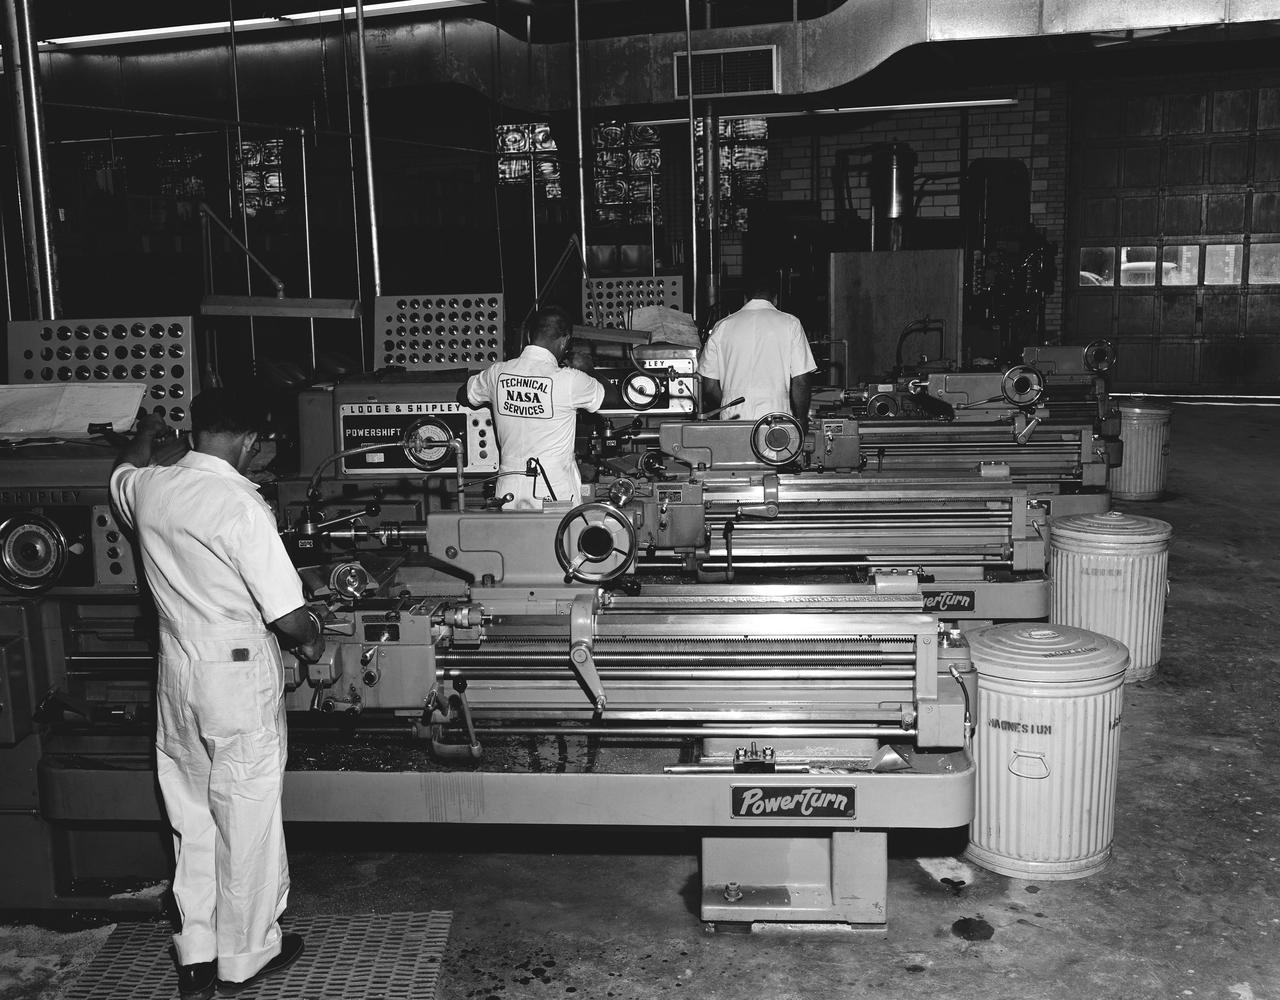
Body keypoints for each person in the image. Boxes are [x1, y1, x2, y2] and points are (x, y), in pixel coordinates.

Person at [109, 390, 323, 1000]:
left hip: (177, 671)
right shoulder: (239, 503)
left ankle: (196, 952)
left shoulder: (150, 488)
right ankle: (248, 955)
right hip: (234, 677)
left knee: (191, 816)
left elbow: (120, 472)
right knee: (246, 813)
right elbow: (288, 616)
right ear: (251, 442)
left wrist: (148, 435)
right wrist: (313, 639)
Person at [466, 304, 605, 509]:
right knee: (557, 540)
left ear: (530, 337)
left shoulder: (497, 373)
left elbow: (464, 394)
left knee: (512, 541)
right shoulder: (570, 380)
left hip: (508, 491)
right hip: (553, 491)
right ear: (565, 341)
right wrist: (588, 369)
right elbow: (611, 397)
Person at [697, 275, 818, 424]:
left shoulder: (722, 327)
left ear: (745, 299)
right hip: (776, 418)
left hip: (733, 418)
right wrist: (801, 418)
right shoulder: (791, 324)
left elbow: (708, 387)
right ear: (775, 299)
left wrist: (728, 405)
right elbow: (801, 381)